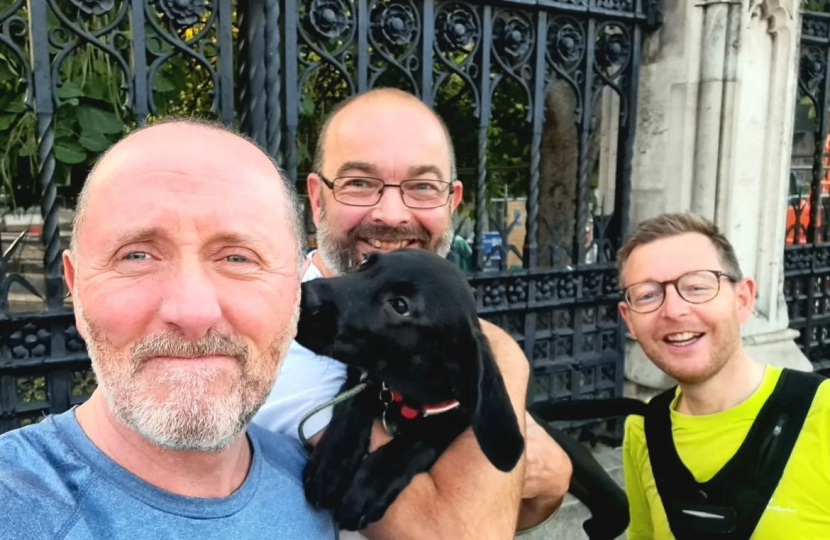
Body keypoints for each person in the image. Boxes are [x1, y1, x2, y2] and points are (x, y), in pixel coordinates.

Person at [253, 88, 572, 539]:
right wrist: (505, 357)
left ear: (452, 202)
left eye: (422, 186)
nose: (391, 214)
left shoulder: (431, 321)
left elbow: (516, 502)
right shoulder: (282, 342)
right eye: (359, 182)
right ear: (318, 198)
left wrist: (549, 482)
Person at [0, 121, 336, 540]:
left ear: (296, 287)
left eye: (237, 258)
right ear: (76, 285)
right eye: (137, 255)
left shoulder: (321, 486)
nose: (192, 312)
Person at [618, 213, 830, 540]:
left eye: (697, 287)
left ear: (742, 300)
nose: (673, 310)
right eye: (648, 295)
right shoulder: (643, 429)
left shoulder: (824, 411)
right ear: (629, 320)